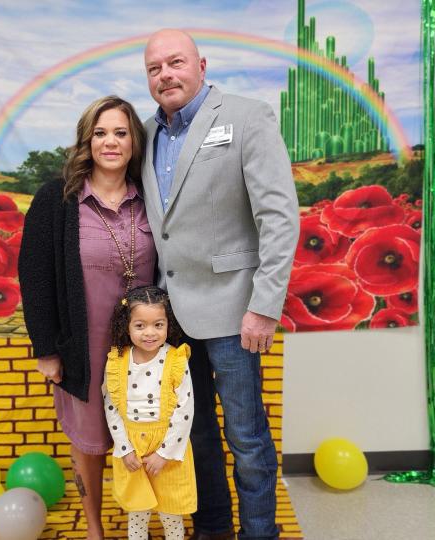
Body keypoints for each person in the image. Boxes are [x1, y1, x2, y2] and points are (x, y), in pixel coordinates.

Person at [139, 29, 300, 540]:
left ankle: (259, 533)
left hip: (235, 312)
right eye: (154, 68)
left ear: (201, 65)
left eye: (175, 62)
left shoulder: (247, 117)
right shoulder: (146, 134)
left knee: (247, 438)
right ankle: (213, 529)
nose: (165, 74)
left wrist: (265, 305)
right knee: (196, 435)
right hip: (173, 318)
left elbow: (279, 217)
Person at [19, 95, 153, 540]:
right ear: (86, 140)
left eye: (120, 132)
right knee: (91, 444)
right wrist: (47, 350)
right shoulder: (57, 200)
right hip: (84, 349)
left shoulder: (152, 199)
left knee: (144, 438)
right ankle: (95, 528)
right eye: (100, 133)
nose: (110, 142)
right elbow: (35, 277)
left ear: (134, 140)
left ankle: (140, 524)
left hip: (145, 352)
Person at [103, 285, 196, 540]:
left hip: (168, 448)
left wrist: (165, 453)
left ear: (168, 324)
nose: (150, 333)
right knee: (138, 511)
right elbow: (112, 407)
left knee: (171, 513)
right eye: (140, 325)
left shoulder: (176, 360)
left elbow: (184, 410)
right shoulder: (117, 361)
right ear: (127, 325)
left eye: (158, 324)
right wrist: (124, 448)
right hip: (132, 446)